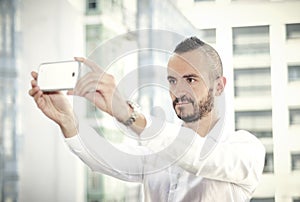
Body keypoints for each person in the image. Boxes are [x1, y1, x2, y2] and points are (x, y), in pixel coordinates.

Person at [29, 36, 265, 202]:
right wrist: (68, 121)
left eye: (191, 79)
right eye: (172, 80)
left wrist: (129, 114)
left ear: (218, 86)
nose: (179, 90)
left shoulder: (246, 150)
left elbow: (200, 158)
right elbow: (105, 159)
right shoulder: (158, 153)